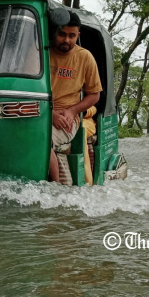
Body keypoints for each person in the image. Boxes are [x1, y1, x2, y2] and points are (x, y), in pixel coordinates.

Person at [48, 12, 102, 185]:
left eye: (72, 36)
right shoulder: (41, 52)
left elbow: (95, 94)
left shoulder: (85, 57)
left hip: (66, 119)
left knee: (42, 140)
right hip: (39, 112)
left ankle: (54, 189)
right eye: (62, 35)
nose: (67, 40)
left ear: (78, 35)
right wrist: (50, 113)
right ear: (55, 32)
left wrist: (72, 111)